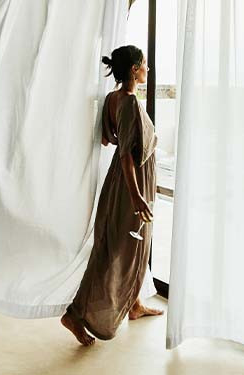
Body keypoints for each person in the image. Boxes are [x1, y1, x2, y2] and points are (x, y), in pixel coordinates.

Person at [61, 45, 163, 346]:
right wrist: (137, 197)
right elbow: (127, 157)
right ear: (134, 69)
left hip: (118, 184)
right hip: (131, 186)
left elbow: (107, 138)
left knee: (129, 249)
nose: (148, 69)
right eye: (144, 64)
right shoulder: (129, 102)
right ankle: (76, 314)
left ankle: (133, 304)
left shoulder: (112, 98)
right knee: (119, 251)